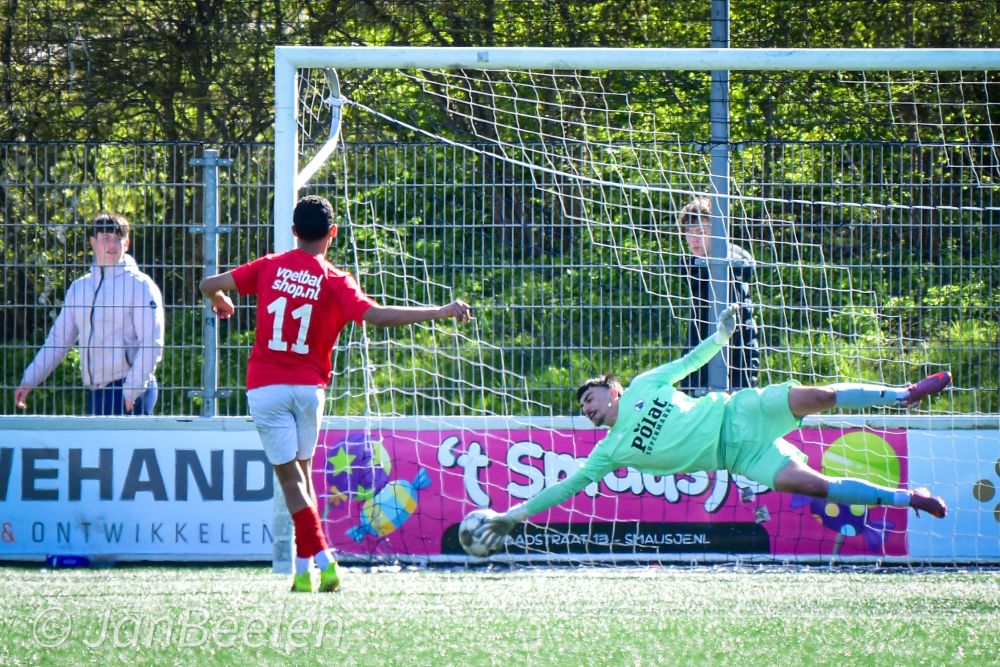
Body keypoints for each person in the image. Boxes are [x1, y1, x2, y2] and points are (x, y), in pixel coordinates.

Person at [477, 305, 951, 552]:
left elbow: (690, 362)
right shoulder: (609, 452)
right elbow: (564, 488)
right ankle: (910, 498)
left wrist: (721, 336)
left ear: (613, 390)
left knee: (819, 396)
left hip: (741, 411)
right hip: (740, 457)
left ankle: (902, 394)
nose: (587, 409)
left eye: (590, 399)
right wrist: (512, 515)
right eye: (583, 409)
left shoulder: (645, 385)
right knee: (815, 486)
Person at [199, 195, 471, 593]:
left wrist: (220, 300)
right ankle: (303, 572)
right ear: (333, 234)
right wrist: (440, 311)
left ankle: (325, 560)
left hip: (266, 387)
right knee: (304, 476)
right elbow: (377, 316)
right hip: (310, 390)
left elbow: (207, 284)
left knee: (292, 483)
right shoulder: (335, 279)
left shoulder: (270, 266)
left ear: (294, 231)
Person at [15, 212, 164, 415]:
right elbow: (58, 341)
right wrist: (29, 380)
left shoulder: (141, 285)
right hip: (96, 392)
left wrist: (132, 390)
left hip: (130, 390)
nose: (112, 245)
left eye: (118, 238)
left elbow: (151, 343)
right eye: (106, 238)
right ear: (92, 242)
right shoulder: (79, 288)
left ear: (127, 244)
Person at [678, 196, 760, 393]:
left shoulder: (732, 267)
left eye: (701, 232)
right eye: (688, 232)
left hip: (736, 359)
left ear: (718, 233)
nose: (693, 239)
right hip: (700, 354)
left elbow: (737, 334)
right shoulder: (695, 266)